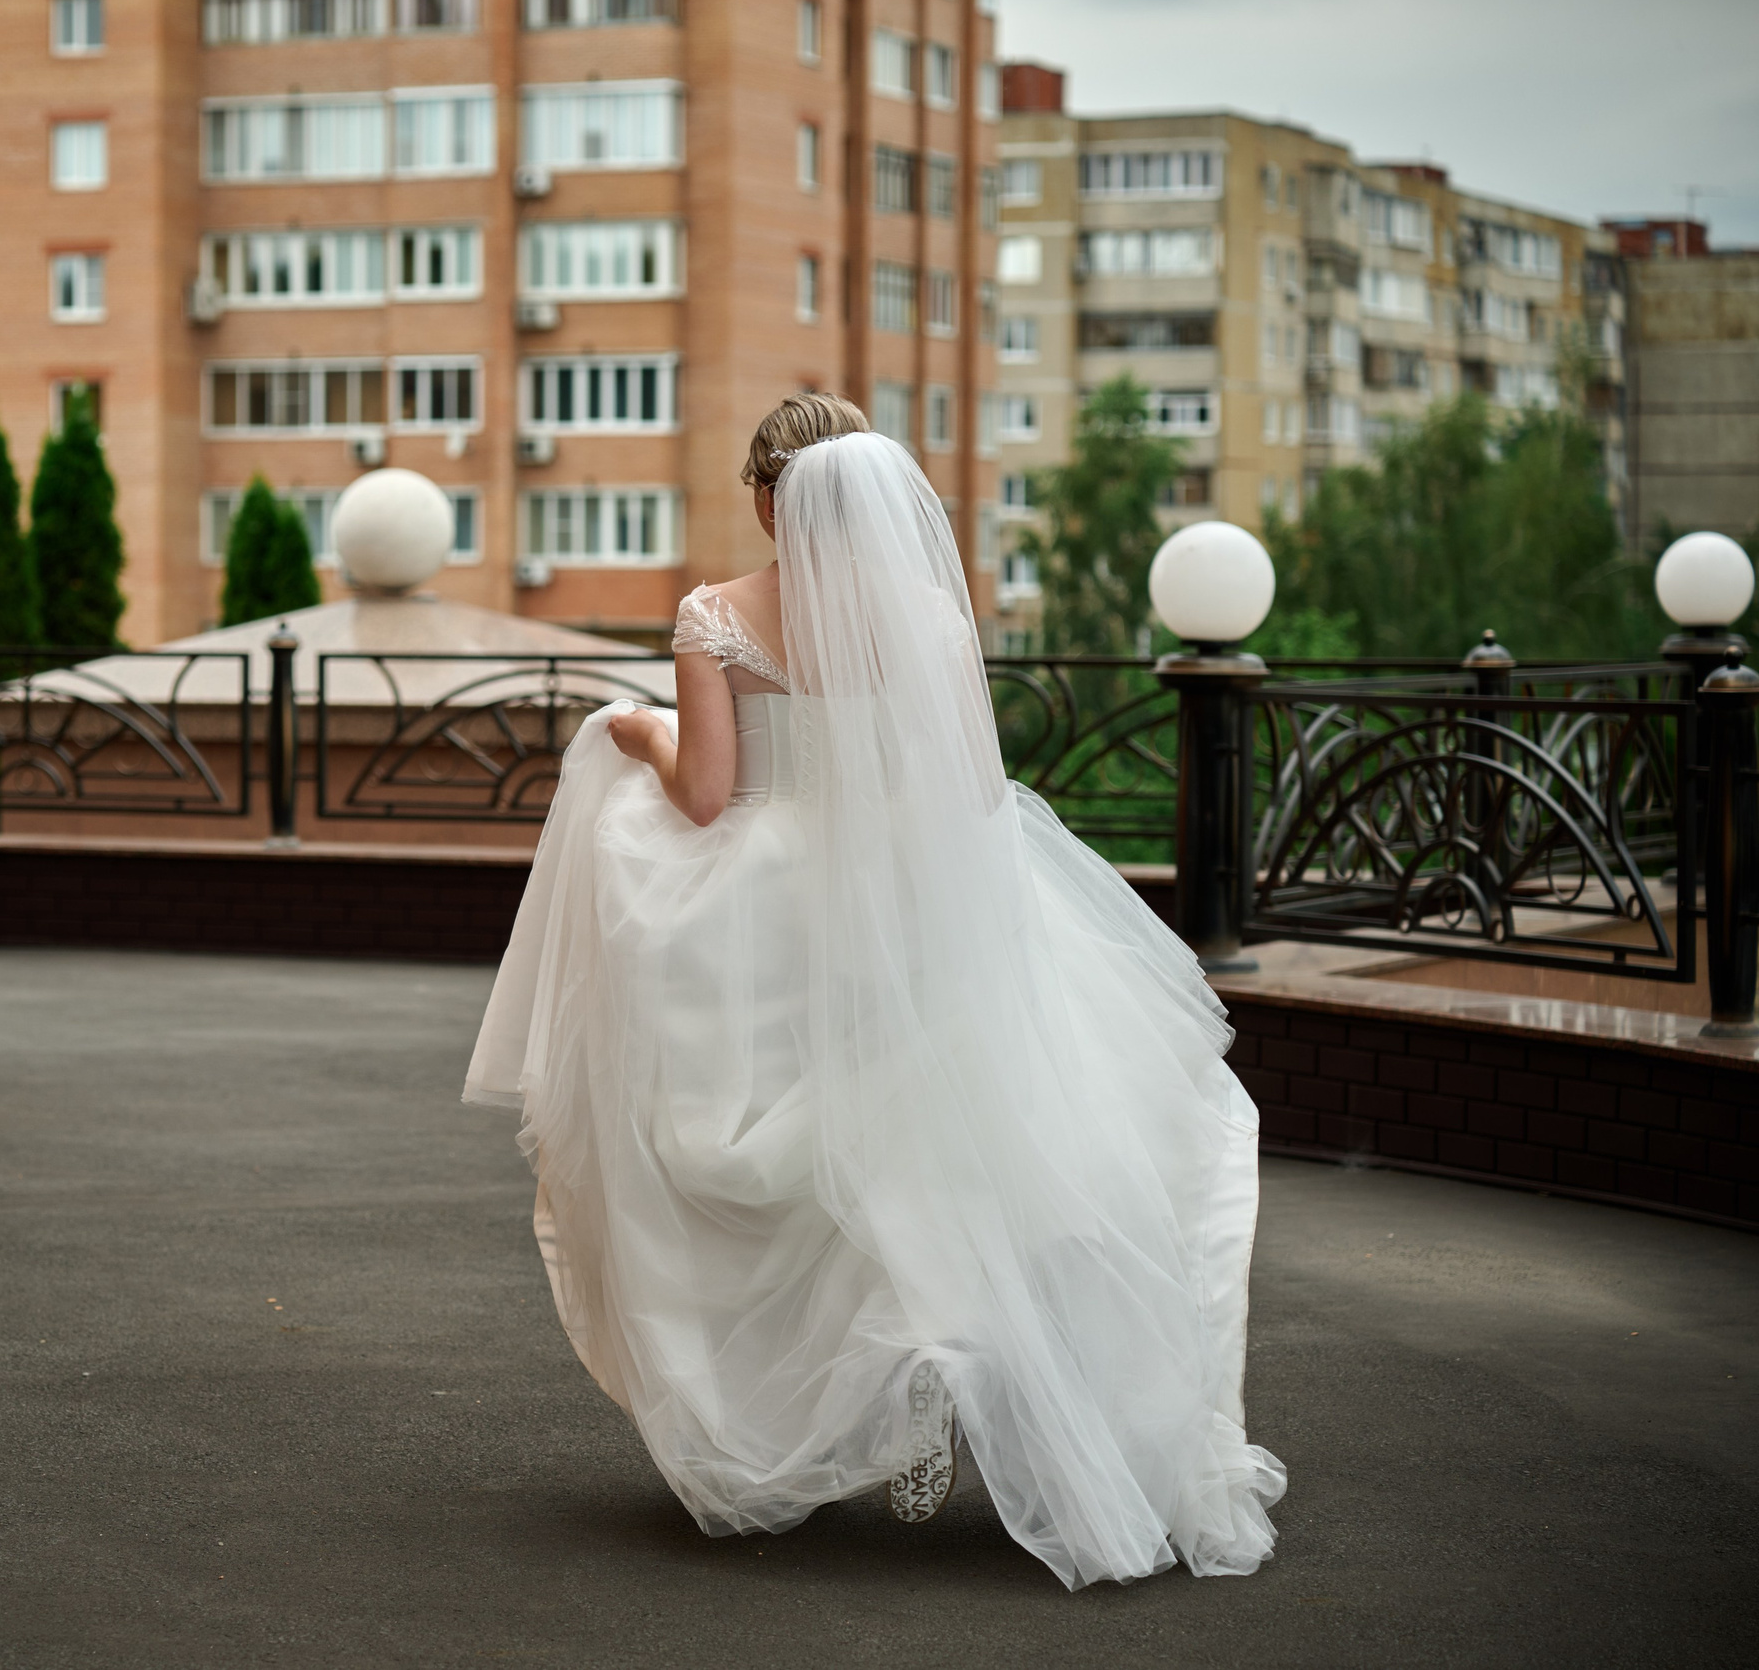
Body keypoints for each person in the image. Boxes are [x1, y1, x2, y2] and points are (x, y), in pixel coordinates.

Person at [465, 393, 1284, 1589]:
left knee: (744, 1171)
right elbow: (968, 796)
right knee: (935, 1158)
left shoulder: (714, 613)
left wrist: (633, 729)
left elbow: (705, 794)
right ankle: (969, 1385)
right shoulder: (929, 618)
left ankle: (790, 1423)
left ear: (769, 497)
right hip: (896, 903)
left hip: (754, 912)